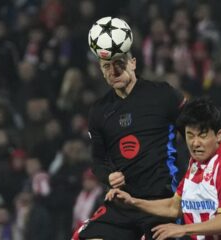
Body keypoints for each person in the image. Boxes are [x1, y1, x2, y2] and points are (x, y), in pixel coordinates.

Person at [106, 97, 221, 240]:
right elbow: (174, 207)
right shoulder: (197, 161)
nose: (195, 143)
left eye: (202, 135)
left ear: (219, 135)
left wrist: (183, 229)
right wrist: (133, 202)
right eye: (190, 135)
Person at [73, 49, 186, 239]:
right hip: (123, 204)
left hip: (162, 201)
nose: (113, 71)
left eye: (119, 63)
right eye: (107, 66)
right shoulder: (99, 111)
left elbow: (195, 133)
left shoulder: (163, 94)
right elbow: (98, 161)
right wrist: (109, 177)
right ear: (101, 71)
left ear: (133, 63)